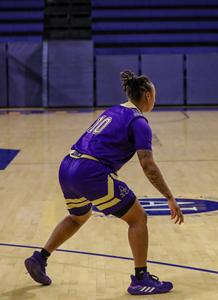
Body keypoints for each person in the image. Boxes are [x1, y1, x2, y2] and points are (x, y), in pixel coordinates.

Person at [23, 71, 184, 295]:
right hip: (90, 171)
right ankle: (140, 278)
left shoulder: (114, 110)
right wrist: (169, 197)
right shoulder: (139, 121)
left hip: (68, 165)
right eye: (154, 95)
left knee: (78, 217)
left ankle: (40, 258)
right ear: (147, 95)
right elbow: (147, 165)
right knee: (138, 218)